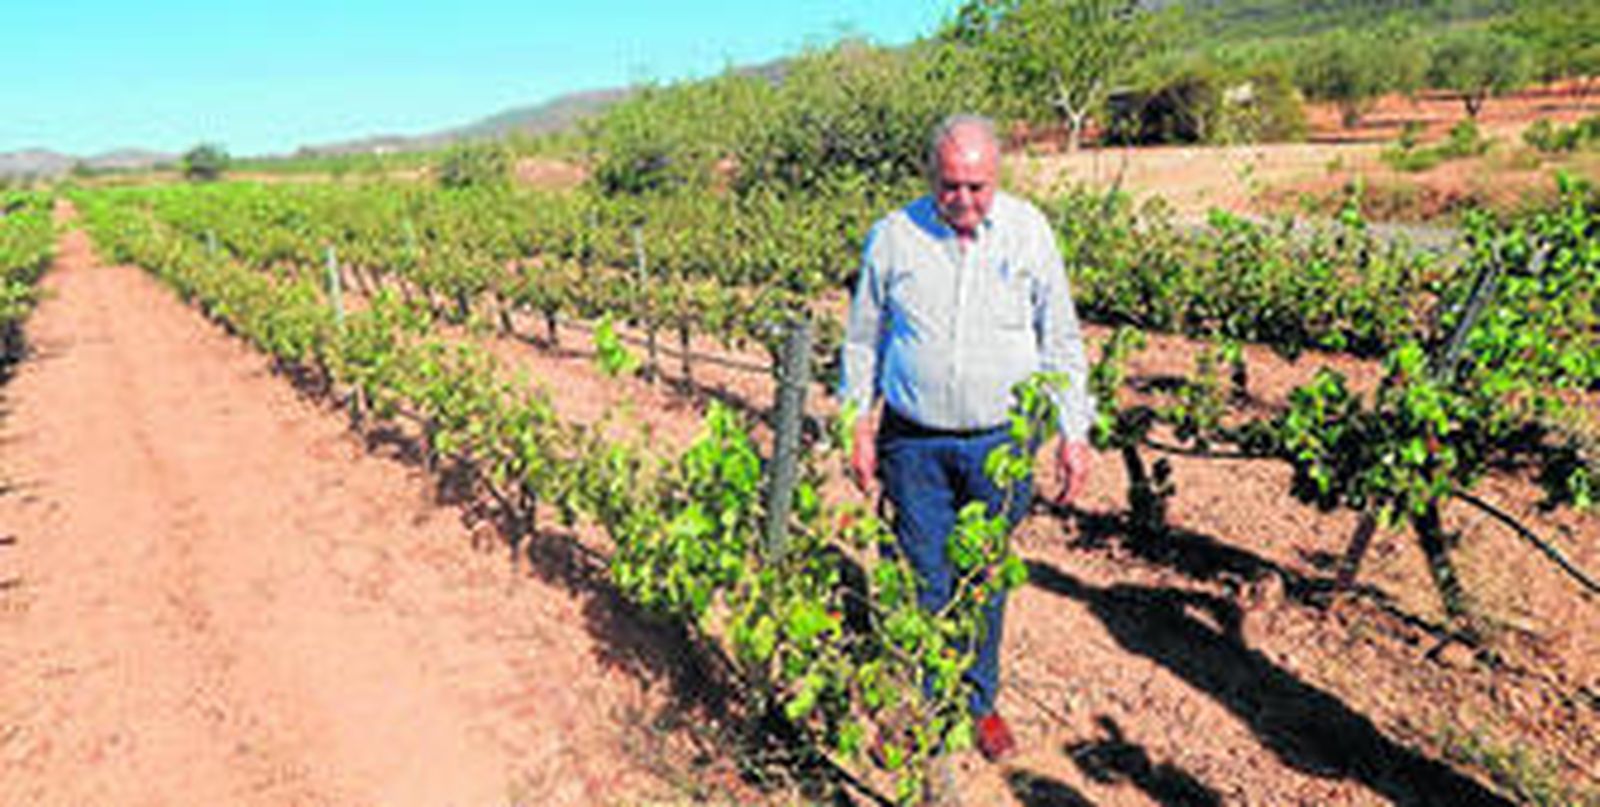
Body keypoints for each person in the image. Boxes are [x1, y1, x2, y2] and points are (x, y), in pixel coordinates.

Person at [838, 113, 1094, 763]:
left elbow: (1060, 338)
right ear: (932, 177)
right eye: (951, 185)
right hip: (913, 444)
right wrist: (856, 426)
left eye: (977, 186)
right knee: (925, 575)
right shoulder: (893, 237)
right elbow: (862, 339)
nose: (964, 200)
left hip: (1000, 445)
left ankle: (979, 702)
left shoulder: (1030, 231)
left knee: (982, 576)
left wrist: (1073, 431)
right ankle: (928, 701)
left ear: (998, 176)